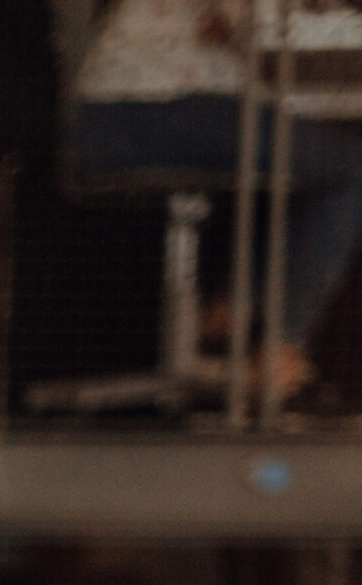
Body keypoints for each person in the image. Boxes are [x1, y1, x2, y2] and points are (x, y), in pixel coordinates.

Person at [74, 0, 362, 405]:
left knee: (319, 160)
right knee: (349, 168)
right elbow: (265, 26)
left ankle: (236, 312)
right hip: (142, 105)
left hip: (119, 110)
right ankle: (274, 347)